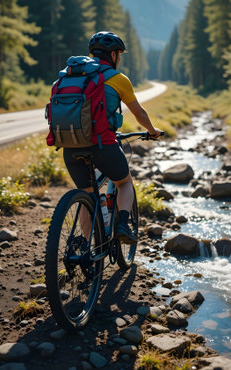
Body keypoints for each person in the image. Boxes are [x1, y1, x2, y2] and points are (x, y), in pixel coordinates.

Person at [63, 31, 162, 244]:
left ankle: (86, 247)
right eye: (119, 54)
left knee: (87, 194)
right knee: (124, 182)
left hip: (70, 147)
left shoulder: (70, 75)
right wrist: (152, 131)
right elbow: (139, 113)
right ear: (114, 55)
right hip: (102, 145)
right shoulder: (118, 78)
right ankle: (122, 225)